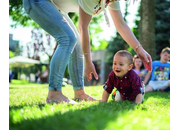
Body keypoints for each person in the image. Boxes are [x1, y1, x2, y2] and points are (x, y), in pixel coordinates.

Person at [22, 0, 152, 104]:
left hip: (55, 7)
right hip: (38, 2)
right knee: (68, 38)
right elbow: (83, 26)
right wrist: (88, 61)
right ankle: (54, 94)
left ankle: (79, 93)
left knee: (76, 42)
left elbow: (121, 24)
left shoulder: (112, 0)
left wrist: (139, 49)